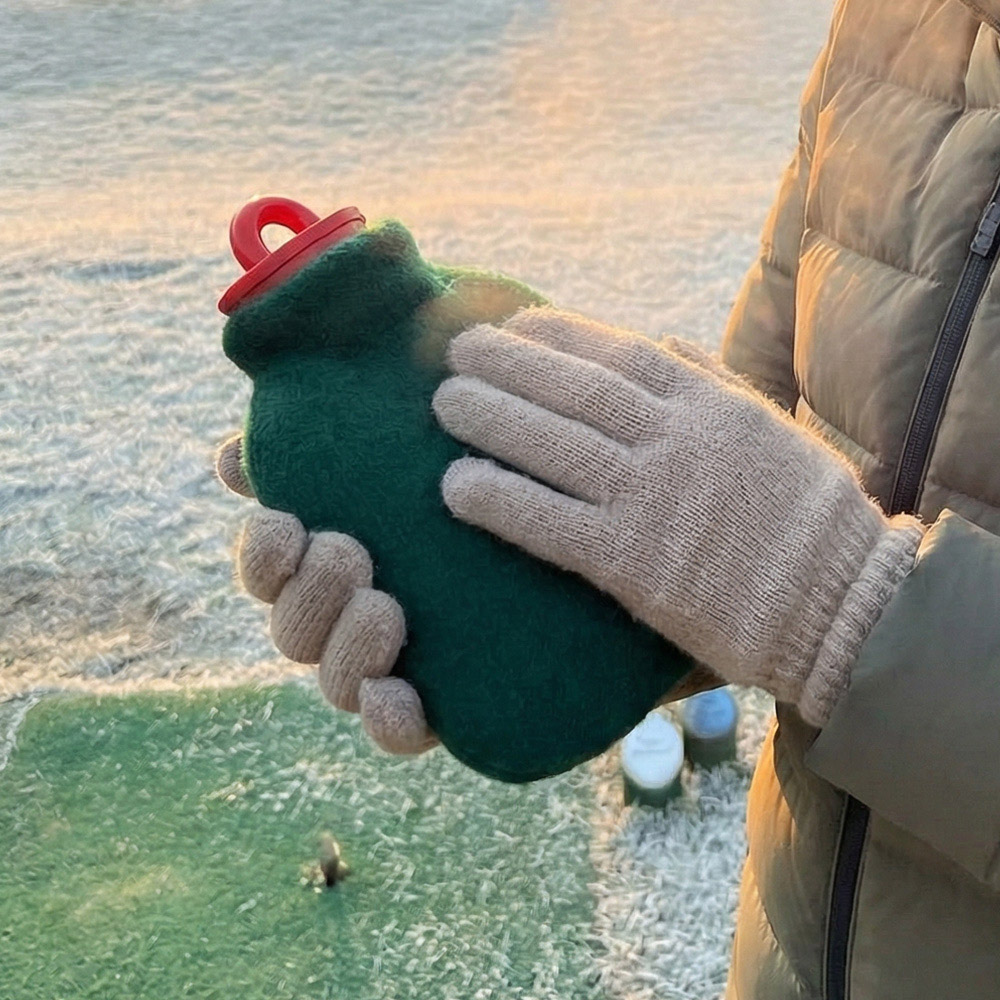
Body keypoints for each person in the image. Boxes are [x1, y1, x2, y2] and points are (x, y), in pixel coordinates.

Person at [216, 0, 1000, 995]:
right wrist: (581, 592)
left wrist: (846, 611)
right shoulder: (891, 25)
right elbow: (760, 463)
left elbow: (805, 571)